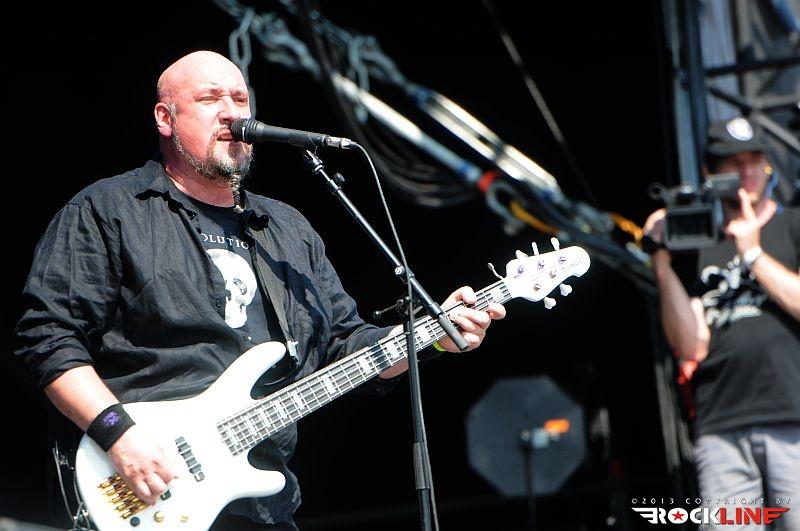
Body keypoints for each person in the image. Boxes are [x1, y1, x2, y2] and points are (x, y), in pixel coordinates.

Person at [13, 50, 506, 530]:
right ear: (166, 118)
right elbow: (49, 340)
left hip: (262, 505)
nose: (231, 112)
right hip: (145, 488)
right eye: (210, 98)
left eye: (240, 99)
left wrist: (433, 335)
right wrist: (119, 435)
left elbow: (344, 345)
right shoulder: (108, 210)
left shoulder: (287, 230)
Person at [643, 116, 800, 529]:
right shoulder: (700, 245)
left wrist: (753, 254)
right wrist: (661, 261)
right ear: (710, 172)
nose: (746, 173)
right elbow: (690, 345)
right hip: (721, 423)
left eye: (754, 161)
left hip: (793, 415)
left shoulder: (792, 225)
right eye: (733, 163)